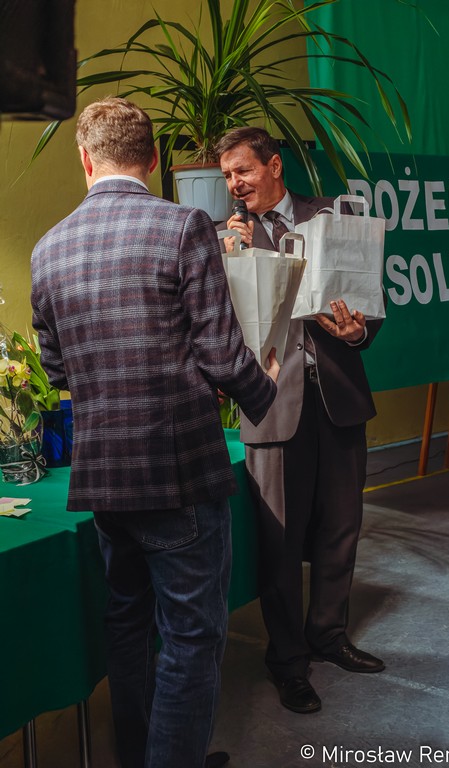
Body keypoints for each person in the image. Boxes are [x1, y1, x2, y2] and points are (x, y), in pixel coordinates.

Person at [30, 99, 280, 768]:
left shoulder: (48, 248)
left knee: (129, 626)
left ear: (85, 159)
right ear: (154, 157)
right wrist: (266, 386)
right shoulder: (183, 225)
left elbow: (58, 372)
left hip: (104, 481)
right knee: (191, 640)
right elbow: (223, 355)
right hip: (178, 475)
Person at [216, 126, 385, 715]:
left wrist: (358, 331)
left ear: (275, 165)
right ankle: (288, 662)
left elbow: (368, 293)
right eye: (227, 177)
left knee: (342, 527)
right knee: (280, 542)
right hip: (270, 404)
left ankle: (329, 636)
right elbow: (218, 326)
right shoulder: (224, 238)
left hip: (339, 396)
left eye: (243, 170)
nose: (235, 185)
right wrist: (231, 258)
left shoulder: (332, 215)